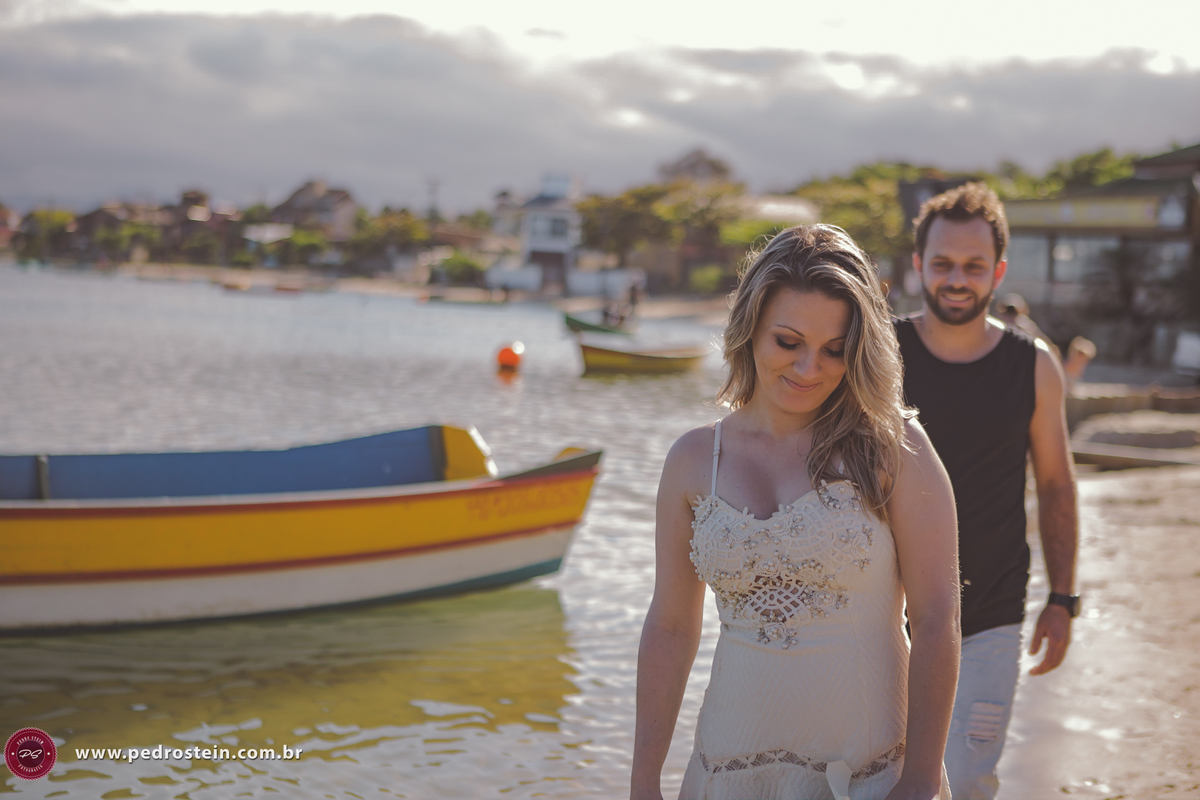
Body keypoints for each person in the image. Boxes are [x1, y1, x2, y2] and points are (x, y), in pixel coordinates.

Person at [632, 224, 961, 800]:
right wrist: (643, 783)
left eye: (835, 350)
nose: (810, 368)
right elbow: (670, 627)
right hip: (724, 775)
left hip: (870, 776)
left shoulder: (891, 447)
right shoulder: (693, 460)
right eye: (788, 342)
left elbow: (936, 620)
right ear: (749, 329)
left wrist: (920, 781)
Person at [896, 183, 1079, 799]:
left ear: (997, 272)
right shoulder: (879, 356)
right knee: (874, 778)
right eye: (942, 263)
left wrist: (1063, 597)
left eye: (973, 267)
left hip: (989, 617)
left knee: (966, 779)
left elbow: (1056, 485)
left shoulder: (1033, 365)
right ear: (918, 264)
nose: (956, 279)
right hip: (878, 614)